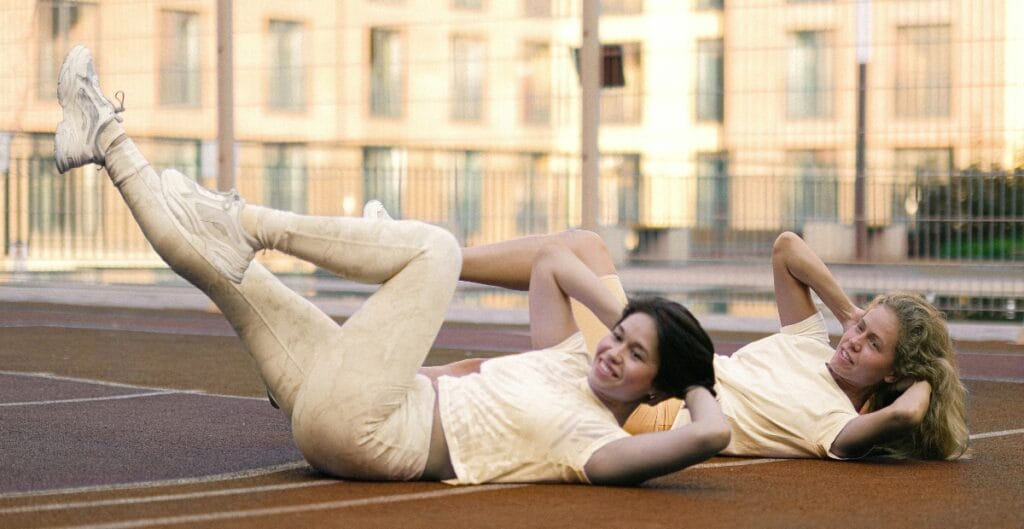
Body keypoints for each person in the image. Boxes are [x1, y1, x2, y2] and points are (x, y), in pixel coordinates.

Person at [54, 45, 730, 486]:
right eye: (617, 337)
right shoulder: (564, 356)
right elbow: (555, 259)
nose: (611, 349)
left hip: (373, 432)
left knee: (436, 247)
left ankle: (253, 223)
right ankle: (105, 139)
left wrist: (688, 372)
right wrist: (637, 319)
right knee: (228, 273)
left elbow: (713, 431)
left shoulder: (598, 445)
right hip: (353, 400)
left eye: (633, 355)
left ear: (654, 386)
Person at [413, 217, 970, 461]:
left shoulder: (837, 425)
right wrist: (849, 311)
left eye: (873, 345)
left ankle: (427, 258)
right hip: (655, 368)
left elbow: (898, 418)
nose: (853, 342)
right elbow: (786, 248)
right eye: (861, 330)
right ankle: (429, 263)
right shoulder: (812, 341)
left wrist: (917, 391)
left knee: (578, 253)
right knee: (482, 372)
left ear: (895, 373)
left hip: (652, 408)